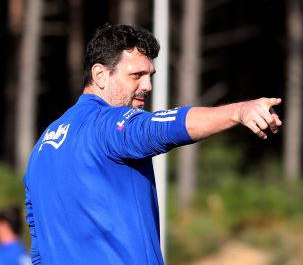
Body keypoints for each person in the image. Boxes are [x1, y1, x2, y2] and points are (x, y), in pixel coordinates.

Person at [24, 23, 282, 264]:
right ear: (100, 75)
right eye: (136, 75)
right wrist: (237, 112)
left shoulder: (41, 148)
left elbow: (38, 249)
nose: (147, 86)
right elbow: (162, 127)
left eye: (150, 75)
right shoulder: (105, 125)